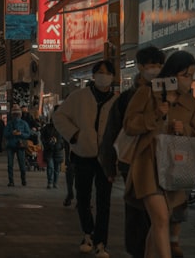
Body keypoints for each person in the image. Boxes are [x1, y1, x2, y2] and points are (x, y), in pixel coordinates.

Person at [122, 51, 195, 258]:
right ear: (172, 74)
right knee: (161, 219)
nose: (188, 80)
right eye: (185, 75)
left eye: (191, 75)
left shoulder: (190, 103)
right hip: (147, 165)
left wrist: (183, 130)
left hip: (174, 167)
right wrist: (155, 115)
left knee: (160, 222)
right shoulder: (147, 94)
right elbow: (129, 125)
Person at [99, 46, 165, 258]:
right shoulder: (128, 98)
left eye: (158, 65)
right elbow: (113, 131)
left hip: (163, 162)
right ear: (140, 67)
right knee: (138, 212)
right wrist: (109, 165)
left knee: (158, 216)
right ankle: (139, 252)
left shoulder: (168, 94)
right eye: (150, 66)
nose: (155, 70)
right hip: (135, 162)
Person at [52, 60, 118, 258]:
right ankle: (87, 233)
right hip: (82, 154)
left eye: (106, 73)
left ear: (113, 76)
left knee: (104, 201)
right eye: (99, 72)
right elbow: (59, 116)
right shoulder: (79, 97)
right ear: (93, 75)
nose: (102, 76)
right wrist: (75, 135)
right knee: (82, 197)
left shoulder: (117, 100)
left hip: (106, 157)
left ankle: (101, 242)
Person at [3, 105, 32, 186]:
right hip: (20, 145)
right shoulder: (24, 123)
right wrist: (21, 134)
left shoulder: (9, 124)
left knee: (10, 165)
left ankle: (11, 181)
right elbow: (28, 134)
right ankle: (23, 180)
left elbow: (5, 134)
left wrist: (13, 133)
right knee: (21, 164)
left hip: (11, 145)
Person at [39, 114, 66, 190]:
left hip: (58, 150)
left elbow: (65, 139)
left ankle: (55, 183)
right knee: (50, 167)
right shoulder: (46, 128)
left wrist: (61, 145)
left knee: (57, 168)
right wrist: (47, 143)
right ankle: (50, 182)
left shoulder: (61, 128)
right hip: (49, 150)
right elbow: (42, 137)